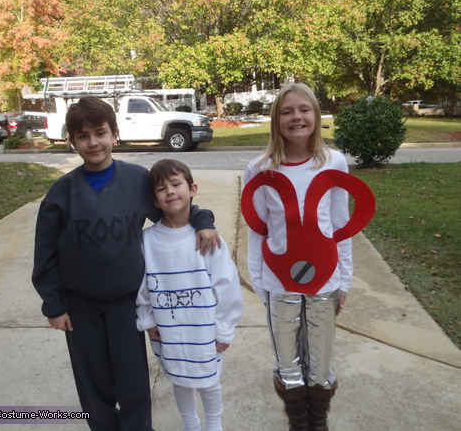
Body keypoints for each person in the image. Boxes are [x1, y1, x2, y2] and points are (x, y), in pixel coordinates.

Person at [31, 96, 220, 431]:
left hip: (126, 302)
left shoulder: (136, 181)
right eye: (83, 136)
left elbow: (174, 205)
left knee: (132, 381)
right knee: (94, 383)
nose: (93, 142)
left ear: (114, 134)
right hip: (79, 305)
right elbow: (45, 254)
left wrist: (203, 219)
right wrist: (53, 305)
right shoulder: (62, 193)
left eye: (100, 133)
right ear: (72, 140)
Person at [241, 83, 374, 431]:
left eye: (304, 109)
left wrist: (344, 280)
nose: (296, 117)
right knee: (288, 363)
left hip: (325, 281)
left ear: (315, 115)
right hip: (278, 281)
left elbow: (341, 227)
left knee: (319, 364)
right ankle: (298, 423)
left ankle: (319, 423)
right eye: (287, 111)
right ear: (276, 119)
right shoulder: (259, 169)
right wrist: (259, 282)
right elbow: (258, 232)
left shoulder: (334, 162)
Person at [136, 159, 244, 431]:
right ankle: (191, 425)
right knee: (180, 382)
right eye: (162, 189)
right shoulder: (146, 241)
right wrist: (147, 320)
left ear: (192, 188)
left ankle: (214, 426)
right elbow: (141, 286)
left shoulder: (208, 239)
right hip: (169, 332)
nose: (170, 191)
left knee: (209, 382)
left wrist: (224, 328)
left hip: (204, 331)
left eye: (176, 184)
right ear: (156, 201)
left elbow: (227, 285)